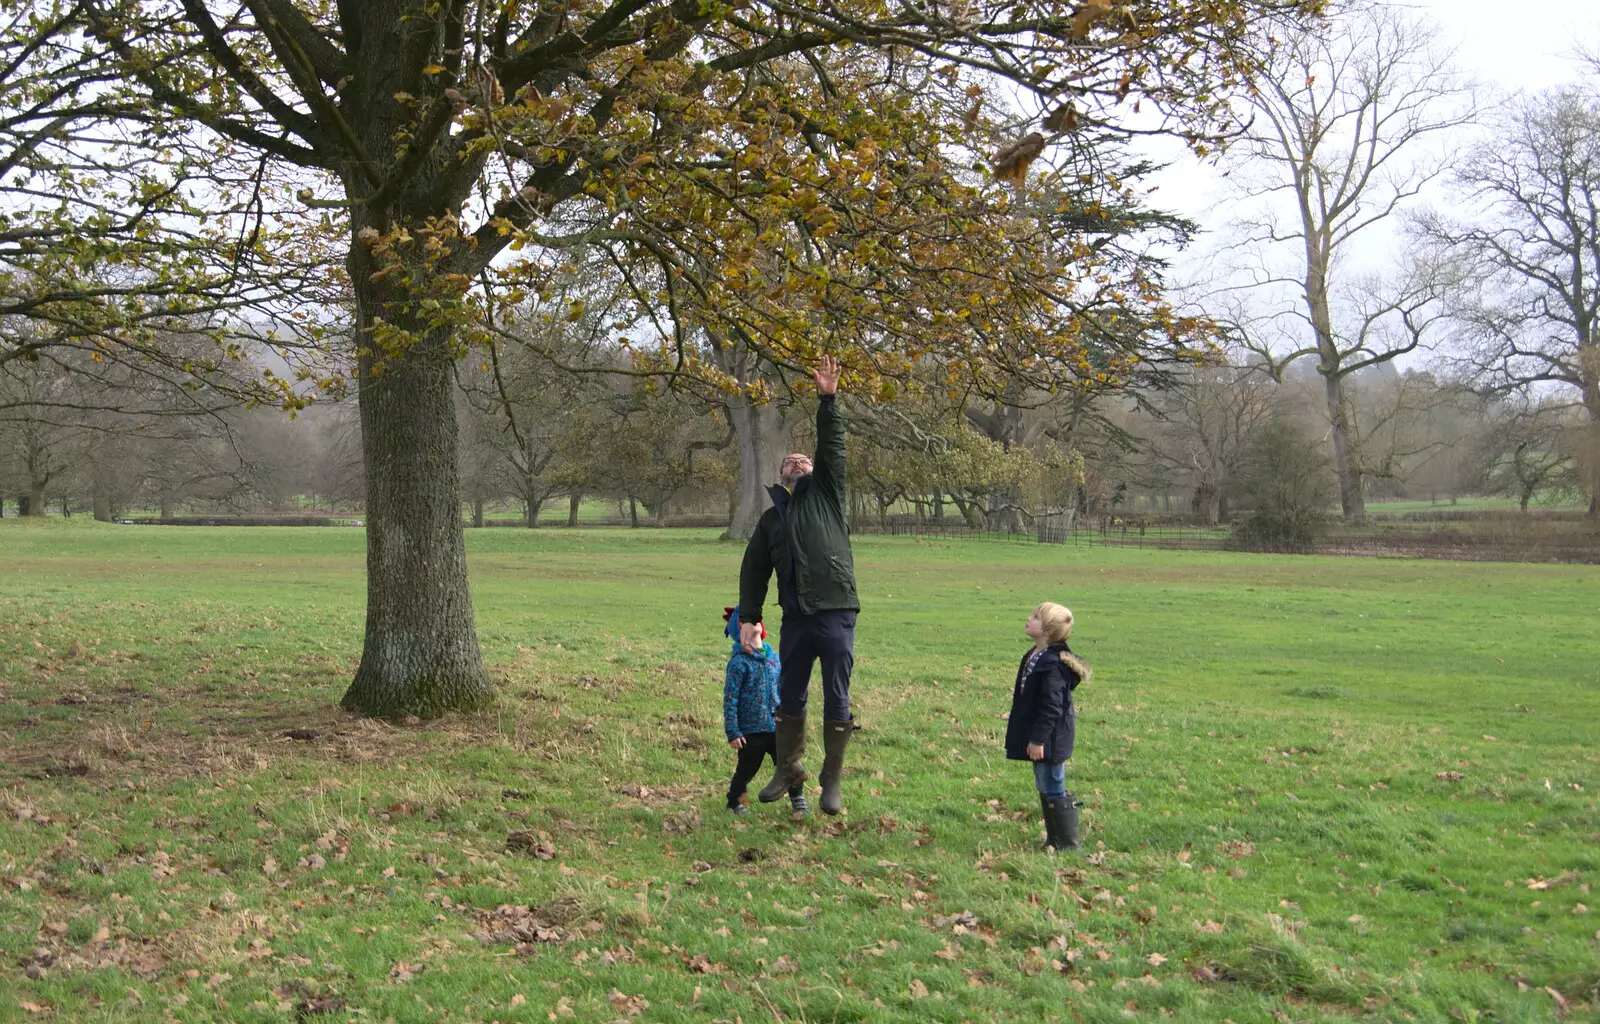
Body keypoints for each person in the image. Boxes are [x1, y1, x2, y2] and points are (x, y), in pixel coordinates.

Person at [737, 355, 859, 816]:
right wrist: (749, 619)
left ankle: (831, 779)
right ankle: (790, 768)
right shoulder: (771, 520)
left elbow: (833, 449)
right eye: (791, 460)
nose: (799, 460)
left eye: (805, 459)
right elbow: (753, 571)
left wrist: (828, 399)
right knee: (789, 695)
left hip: (836, 610)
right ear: (782, 476)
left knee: (837, 694)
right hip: (796, 618)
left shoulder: (828, 496)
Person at [1004, 602, 1091, 852]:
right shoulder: (1035, 655)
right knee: (1044, 784)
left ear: (1048, 630)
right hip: (1040, 736)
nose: (1028, 618)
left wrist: (1038, 740)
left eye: (1035, 617)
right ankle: (1053, 839)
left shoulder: (1052, 665)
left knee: (1053, 784)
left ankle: (1068, 844)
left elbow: (1052, 708)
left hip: (1051, 739)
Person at [721, 605, 808, 817]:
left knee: (790, 765)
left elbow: (784, 685)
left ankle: (798, 800)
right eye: (745, 622)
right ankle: (734, 801)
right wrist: (733, 731)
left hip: (778, 725)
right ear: (739, 629)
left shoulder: (773, 658)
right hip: (751, 730)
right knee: (747, 768)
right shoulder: (739, 663)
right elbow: (730, 699)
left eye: (757, 620)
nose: (754, 624)